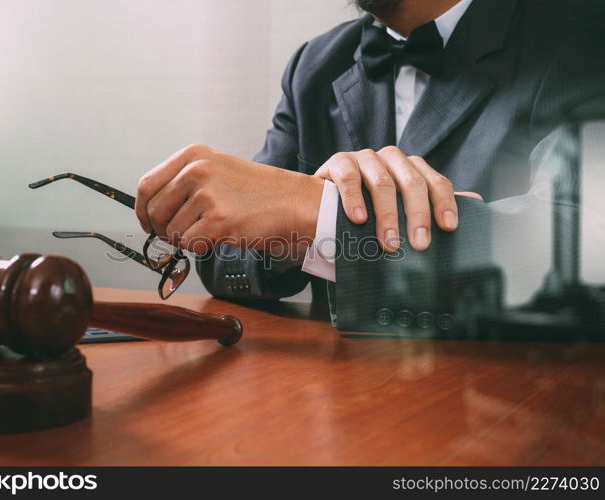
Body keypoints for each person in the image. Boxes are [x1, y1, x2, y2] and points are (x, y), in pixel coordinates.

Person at [134, 0, 605, 333]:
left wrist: (316, 213)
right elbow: (225, 255)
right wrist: (287, 222)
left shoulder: (584, 31)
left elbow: (582, 248)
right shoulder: (314, 64)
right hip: (338, 405)